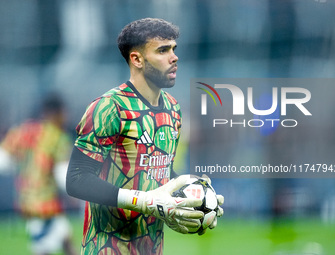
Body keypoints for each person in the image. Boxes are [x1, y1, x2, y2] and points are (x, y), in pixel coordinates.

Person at [66, 18, 224, 255]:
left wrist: (194, 198)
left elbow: (156, 172)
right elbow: (76, 179)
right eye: (162, 50)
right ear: (137, 59)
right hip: (107, 247)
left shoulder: (173, 109)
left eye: (173, 49)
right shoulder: (109, 107)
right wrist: (145, 202)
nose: (174, 57)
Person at [0, 93, 77, 255]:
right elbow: (62, 175)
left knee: (65, 238)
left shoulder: (22, 131)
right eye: (63, 112)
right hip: (43, 204)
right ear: (54, 113)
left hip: (27, 199)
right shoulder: (57, 136)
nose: (66, 117)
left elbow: (3, 159)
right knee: (43, 249)